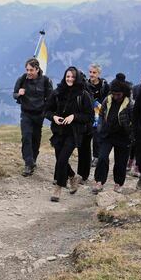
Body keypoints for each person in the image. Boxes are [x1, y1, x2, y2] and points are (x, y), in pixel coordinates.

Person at [44, 66, 93, 202]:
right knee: (61, 160)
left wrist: (74, 117)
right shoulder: (57, 92)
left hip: (74, 133)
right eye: (67, 77)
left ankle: (58, 188)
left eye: (72, 77)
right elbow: (46, 110)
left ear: (76, 78)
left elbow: (90, 117)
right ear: (64, 77)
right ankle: (72, 176)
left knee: (61, 160)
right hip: (58, 132)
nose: (70, 79)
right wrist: (53, 117)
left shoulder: (83, 95)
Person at [92, 74, 133, 194]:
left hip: (123, 136)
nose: (115, 97)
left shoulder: (130, 104)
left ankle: (118, 183)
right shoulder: (108, 100)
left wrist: (131, 134)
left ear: (124, 93)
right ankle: (99, 181)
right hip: (107, 134)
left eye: (118, 94)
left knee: (120, 161)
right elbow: (101, 114)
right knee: (102, 158)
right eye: (114, 94)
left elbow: (134, 120)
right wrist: (100, 128)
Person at [12, 58, 53, 176]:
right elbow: (14, 95)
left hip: (39, 114)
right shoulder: (22, 79)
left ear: (37, 69)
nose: (29, 72)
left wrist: (46, 111)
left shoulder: (45, 81)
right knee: (26, 137)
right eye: (27, 70)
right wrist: (19, 94)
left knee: (36, 138)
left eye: (31, 70)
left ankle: (33, 160)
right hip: (26, 113)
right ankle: (28, 164)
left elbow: (50, 98)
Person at [84, 63, 109, 170]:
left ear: (99, 73)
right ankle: (87, 158)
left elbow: (108, 99)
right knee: (86, 136)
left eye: (94, 72)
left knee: (97, 136)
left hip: (100, 115)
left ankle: (96, 157)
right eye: (90, 72)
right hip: (87, 114)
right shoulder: (85, 84)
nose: (91, 74)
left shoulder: (104, 86)